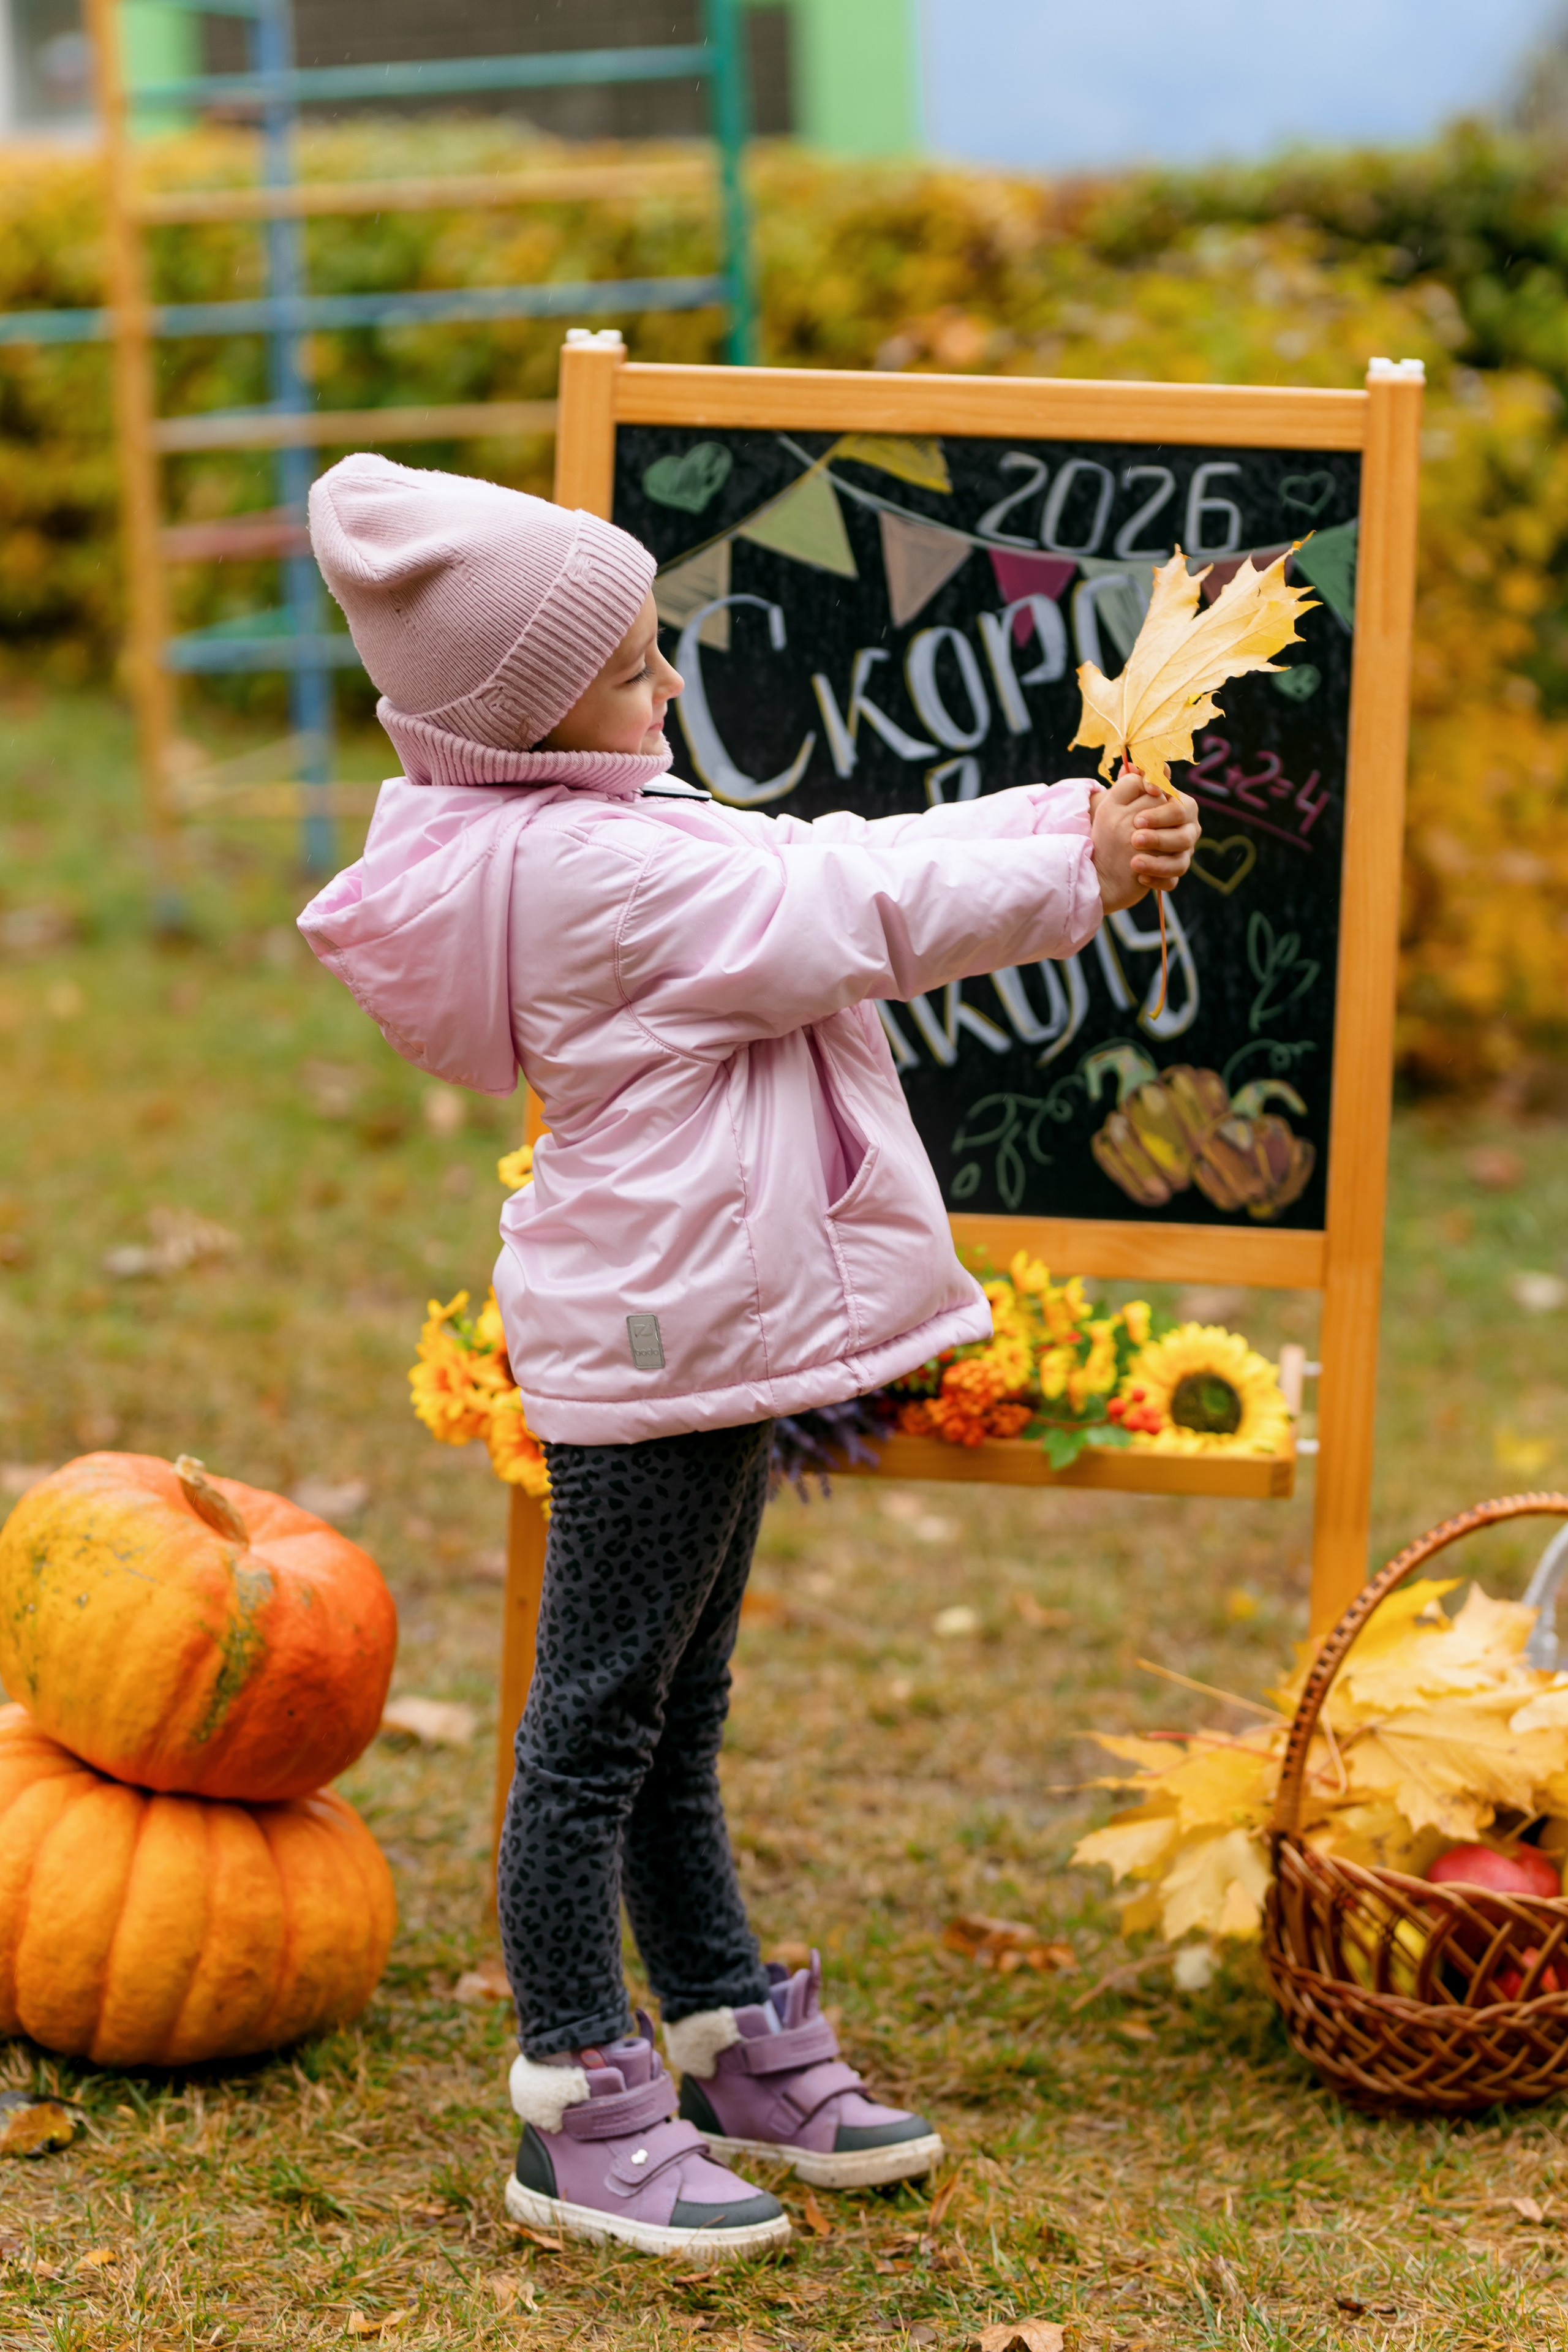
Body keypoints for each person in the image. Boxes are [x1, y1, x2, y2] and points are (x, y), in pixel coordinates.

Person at [299, 453, 1199, 2263]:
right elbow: (841, 919)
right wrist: (1070, 874)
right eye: (632, 665)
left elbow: (826, 857)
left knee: (670, 1713)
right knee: (595, 1732)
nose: (669, 679)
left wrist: (1057, 823)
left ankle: (716, 2028)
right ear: (529, 719)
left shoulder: (600, 817)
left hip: (699, 1325)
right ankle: (575, 2090)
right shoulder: (598, 875)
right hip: (662, 1340)